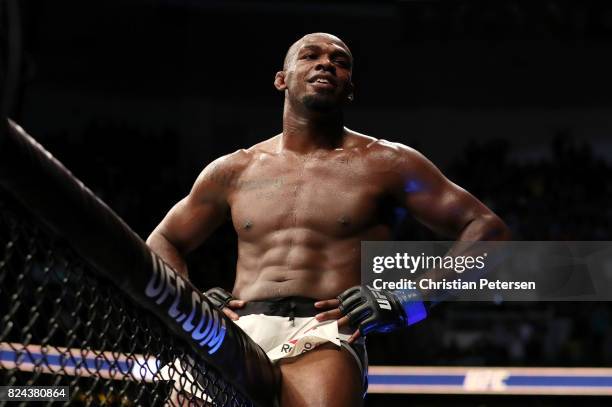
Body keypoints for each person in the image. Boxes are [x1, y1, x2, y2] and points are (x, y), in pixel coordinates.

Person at [146, 32, 510, 407]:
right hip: (235, 328)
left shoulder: (387, 163)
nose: (326, 64)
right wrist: (190, 302)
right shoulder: (234, 169)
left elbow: (488, 231)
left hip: (326, 332)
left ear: (350, 88)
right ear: (281, 79)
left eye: (340, 61)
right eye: (310, 56)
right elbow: (163, 240)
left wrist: (411, 297)